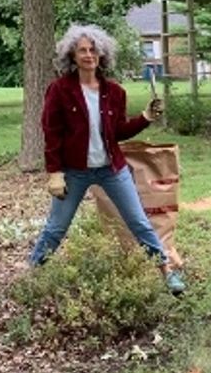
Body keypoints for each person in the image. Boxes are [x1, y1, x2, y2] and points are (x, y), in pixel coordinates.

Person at [28, 24, 187, 295]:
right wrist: (54, 172)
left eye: (93, 50)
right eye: (82, 51)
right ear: (72, 56)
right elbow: (51, 133)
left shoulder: (114, 92)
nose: (88, 55)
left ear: (102, 55)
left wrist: (145, 118)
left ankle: (167, 272)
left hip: (111, 170)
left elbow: (117, 132)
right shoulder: (59, 90)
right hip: (74, 172)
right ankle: (32, 276)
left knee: (139, 222)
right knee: (56, 228)